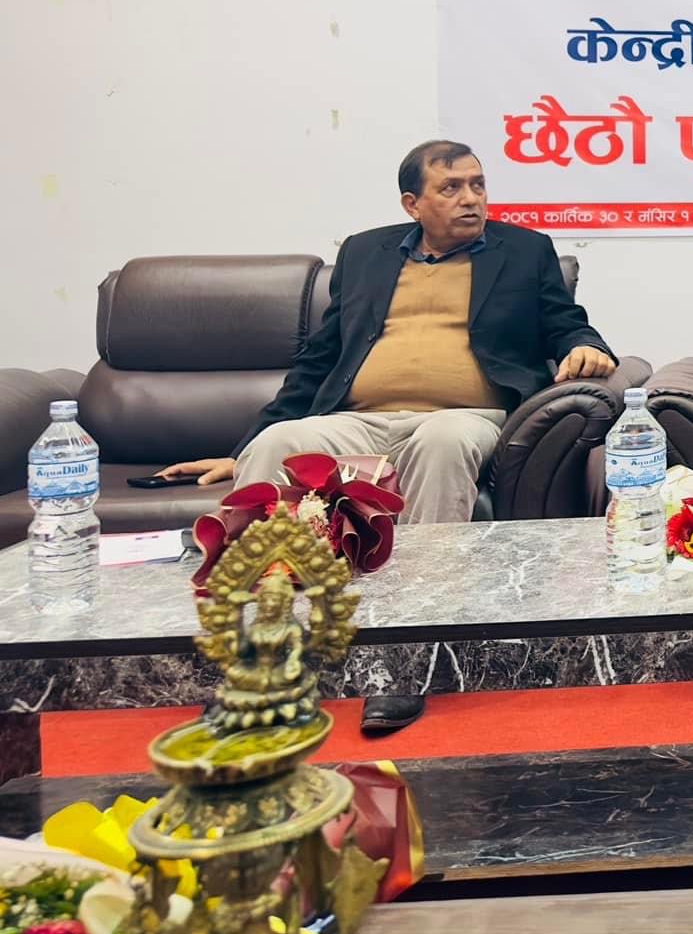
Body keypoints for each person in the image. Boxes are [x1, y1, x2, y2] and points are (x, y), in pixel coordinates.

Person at [168, 138, 617, 731]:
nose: (471, 199)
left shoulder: (525, 250)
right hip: (359, 418)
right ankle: (256, 656)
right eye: (451, 188)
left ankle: (409, 656)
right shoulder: (364, 253)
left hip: (465, 415)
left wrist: (586, 346)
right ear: (412, 203)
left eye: (478, 185)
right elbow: (319, 358)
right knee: (277, 446)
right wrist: (246, 446)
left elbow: (565, 322)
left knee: (442, 441)